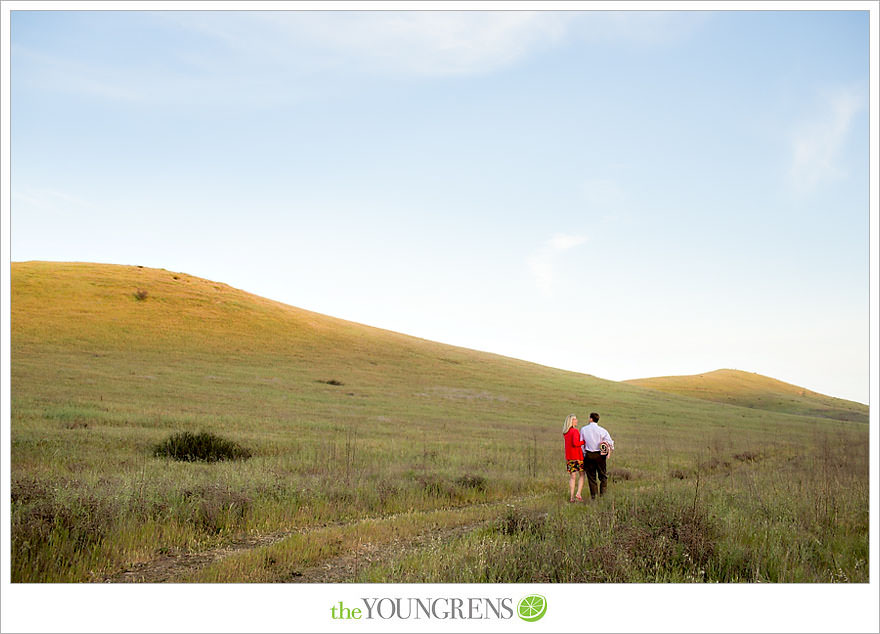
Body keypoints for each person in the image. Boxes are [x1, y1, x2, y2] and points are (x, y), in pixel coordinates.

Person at [579, 412, 614, 500]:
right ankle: (603, 496)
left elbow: (581, 444)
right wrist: (608, 450)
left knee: (591, 477)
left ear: (591, 419)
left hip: (589, 455)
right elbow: (610, 442)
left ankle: (594, 497)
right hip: (600, 455)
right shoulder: (602, 430)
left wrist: (584, 454)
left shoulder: (583, 429)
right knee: (603, 476)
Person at [562, 414, 585, 503]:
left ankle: (571, 497)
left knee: (572, 477)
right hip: (577, 457)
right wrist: (584, 442)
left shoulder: (566, 432)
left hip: (569, 457)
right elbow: (575, 443)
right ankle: (578, 493)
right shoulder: (575, 431)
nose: (576, 421)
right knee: (582, 475)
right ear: (571, 421)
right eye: (575, 419)